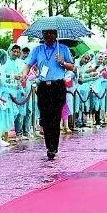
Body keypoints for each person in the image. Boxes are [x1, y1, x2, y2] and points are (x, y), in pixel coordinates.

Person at [21, 30, 74, 160]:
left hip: (58, 86)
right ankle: (48, 144)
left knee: (55, 117)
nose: (48, 36)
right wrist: (24, 74)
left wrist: (63, 62)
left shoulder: (63, 49)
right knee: (45, 117)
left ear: (56, 35)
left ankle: (52, 147)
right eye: (46, 33)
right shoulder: (37, 50)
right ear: (42, 35)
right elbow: (28, 64)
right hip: (43, 86)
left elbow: (72, 67)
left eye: (51, 33)